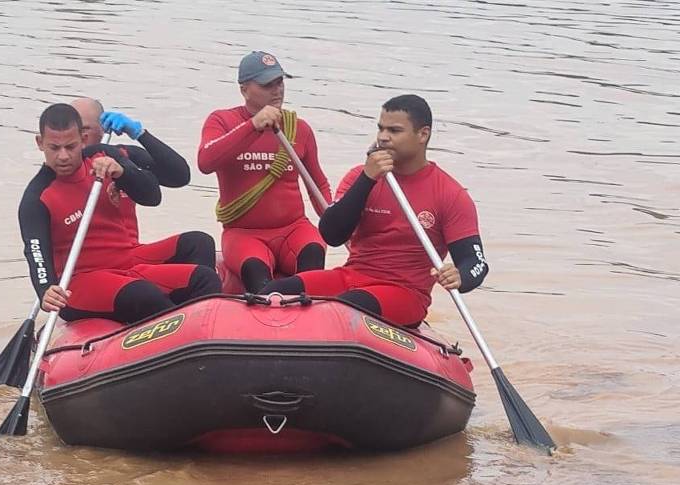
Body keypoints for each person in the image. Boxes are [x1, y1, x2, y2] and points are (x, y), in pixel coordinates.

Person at [261, 94, 489, 327]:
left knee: (342, 309)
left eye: (394, 130)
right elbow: (332, 234)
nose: (383, 137)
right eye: (380, 129)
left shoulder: (450, 194)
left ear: (423, 134)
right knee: (273, 292)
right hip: (352, 276)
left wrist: (459, 276)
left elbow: (476, 262)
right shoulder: (360, 177)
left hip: (405, 292)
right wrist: (368, 179)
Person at [20, 103, 221, 324]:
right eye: (54, 148)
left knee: (204, 278)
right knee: (145, 295)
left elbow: (152, 197)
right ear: (40, 143)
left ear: (83, 139)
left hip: (125, 262)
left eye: (70, 146)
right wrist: (45, 290)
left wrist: (123, 173)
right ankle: (183, 333)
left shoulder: (103, 156)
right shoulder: (37, 197)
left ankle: (204, 333)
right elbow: (35, 253)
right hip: (80, 282)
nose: (63, 156)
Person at [197, 51, 332, 293]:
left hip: (293, 229)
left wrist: (336, 223)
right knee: (256, 274)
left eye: (280, 82)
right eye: (267, 84)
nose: (277, 90)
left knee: (313, 251)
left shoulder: (298, 129)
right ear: (244, 89)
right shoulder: (222, 121)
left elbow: (317, 184)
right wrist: (253, 126)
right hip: (245, 234)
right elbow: (205, 162)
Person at [71, 97, 216, 270]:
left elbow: (180, 176)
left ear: (102, 130)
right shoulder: (62, 170)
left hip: (132, 254)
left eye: (86, 129)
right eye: (73, 130)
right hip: (93, 261)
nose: (81, 137)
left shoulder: (123, 155)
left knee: (199, 244)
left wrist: (139, 134)